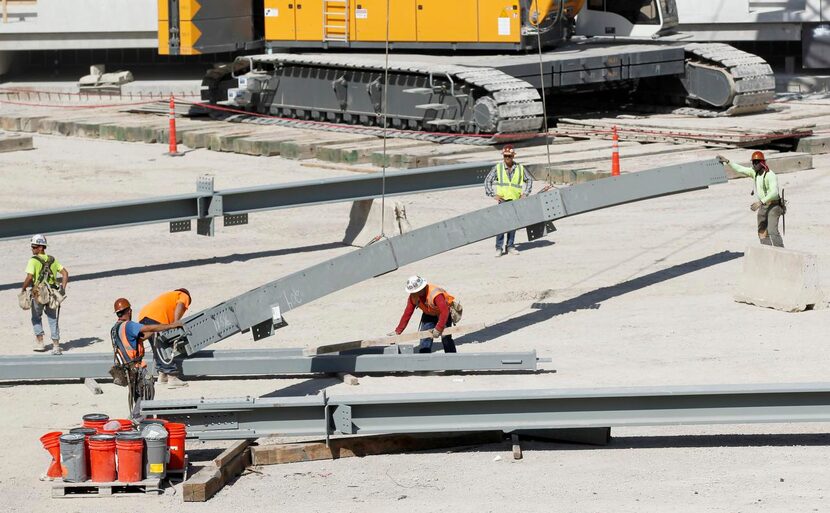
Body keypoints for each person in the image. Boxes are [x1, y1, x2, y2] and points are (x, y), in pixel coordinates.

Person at [111, 298, 182, 409]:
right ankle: (140, 420)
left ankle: (136, 417)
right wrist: (171, 325)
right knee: (146, 396)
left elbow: (141, 337)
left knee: (138, 397)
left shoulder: (116, 328)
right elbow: (148, 328)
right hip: (136, 368)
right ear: (129, 311)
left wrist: (156, 331)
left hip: (126, 370)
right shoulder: (129, 325)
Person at [717, 151, 784, 247]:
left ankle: (781, 252)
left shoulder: (770, 175)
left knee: (772, 231)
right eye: (753, 162)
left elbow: (774, 193)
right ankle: (767, 250)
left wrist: (760, 202)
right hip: (764, 206)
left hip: (774, 205)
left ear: (762, 162)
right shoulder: (754, 173)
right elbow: (740, 169)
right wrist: (727, 161)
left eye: (756, 162)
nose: (754, 164)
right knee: (762, 231)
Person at [20, 234, 69, 354]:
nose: (32, 249)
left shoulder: (33, 261)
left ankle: (40, 343)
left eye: (34, 246)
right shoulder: (52, 260)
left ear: (40, 247)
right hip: (52, 293)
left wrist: (23, 288)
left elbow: (29, 276)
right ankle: (56, 345)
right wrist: (62, 289)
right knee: (53, 318)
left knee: (36, 318)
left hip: (38, 293)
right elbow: (65, 273)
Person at [485, 144, 533, 257]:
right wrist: (493, 194)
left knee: (513, 224)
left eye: (509, 156)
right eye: (505, 156)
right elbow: (487, 181)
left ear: (513, 156)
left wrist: (525, 194)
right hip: (503, 200)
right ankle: (499, 247)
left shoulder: (520, 168)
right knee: (501, 224)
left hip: (515, 200)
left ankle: (510, 246)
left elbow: (529, 180)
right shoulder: (498, 168)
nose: (507, 158)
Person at [391, 276, 460, 354]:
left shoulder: (435, 294)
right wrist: (398, 331)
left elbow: (444, 311)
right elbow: (407, 313)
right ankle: (424, 358)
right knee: (425, 337)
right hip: (429, 314)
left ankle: (451, 358)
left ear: (422, 288)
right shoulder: (413, 296)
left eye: (416, 291)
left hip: (443, 314)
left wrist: (439, 328)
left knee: (446, 337)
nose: (414, 293)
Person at [138, 289, 192, 388]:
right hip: (156, 317)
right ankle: (172, 377)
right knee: (164, 346)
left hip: (143, 315)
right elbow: (180, 304)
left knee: (157, 347)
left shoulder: (169, 296)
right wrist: (175, 322)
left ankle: (162, 375)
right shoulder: (184, 295)